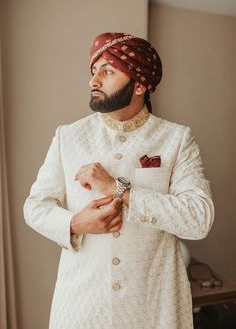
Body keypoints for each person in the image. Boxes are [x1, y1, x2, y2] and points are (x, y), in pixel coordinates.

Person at [23, 32, 214, 329]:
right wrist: (75, 224)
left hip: (153, 307)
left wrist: (120, 189)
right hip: (82, 306)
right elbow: (34, 207)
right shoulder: (68, 137)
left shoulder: (176, 139)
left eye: (107, 71)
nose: (93, 80)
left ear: (140, 84)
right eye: (93, 70)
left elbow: (198, 219)